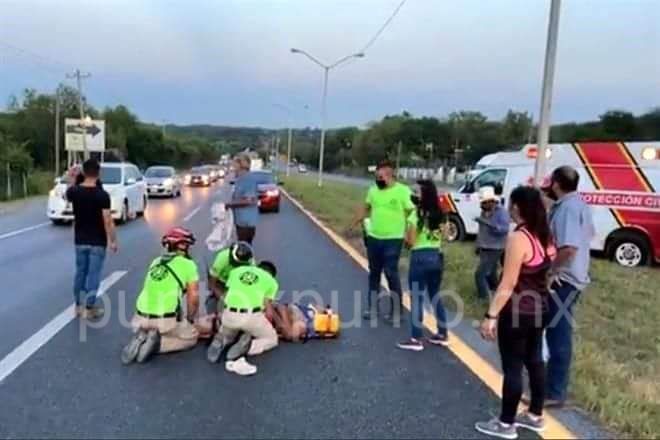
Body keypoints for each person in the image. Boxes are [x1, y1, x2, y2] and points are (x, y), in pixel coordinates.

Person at [475, 186, 555, 439]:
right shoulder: (546, 236)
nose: (508, 209)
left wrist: (491, 316)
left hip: (518, 312)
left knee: (513, 366)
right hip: (541, 308)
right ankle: (534, 415)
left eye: (511, 204)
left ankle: (506, 423)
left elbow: (507, 283)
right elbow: (548, 272)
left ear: (518, 207)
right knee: (535, 361)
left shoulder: (518, 239)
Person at [543, 166, 594, 407]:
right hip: (574, 277)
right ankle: (551, 385)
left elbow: (569, 248)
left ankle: (554, 392)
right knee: (555, 331)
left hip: (563, 281)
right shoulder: (580, 205)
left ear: (555, 184)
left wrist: (552, 271)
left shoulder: (566, 209)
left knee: (558, 334)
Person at [120, 227, 201, 364]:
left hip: (139, 318)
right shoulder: (188, 265)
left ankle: (142, 337)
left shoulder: (156, 261)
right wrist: (190, 319)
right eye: (187, 245)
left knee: (159, 325)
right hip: (164, 320)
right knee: (191, 337)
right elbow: (193, 299)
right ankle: (158, 344)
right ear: (181, 246)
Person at [351, 161, 415, 321]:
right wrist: (357, 219)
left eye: (380, 177)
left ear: (389, 175)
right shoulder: (373, 191)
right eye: (376, 177)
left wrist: (410, 232)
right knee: (374, 273)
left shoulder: (403, 191)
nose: (377, 180)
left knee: (391, 272)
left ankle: (397, 311)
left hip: (393, 239)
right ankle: (372, 308)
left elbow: (413, 211)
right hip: (374, 237)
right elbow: (366, 206)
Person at [397, 179, 449, 351]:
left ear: (424, 195)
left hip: (420, 256)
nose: (414, 195)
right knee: (435, 294)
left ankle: (416, 338)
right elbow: (447, 235)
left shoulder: (416, 214)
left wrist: (406, 239)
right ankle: (442, 334)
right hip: (437, 256)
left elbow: (410, 241)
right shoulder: (441, 213)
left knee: (417, 297)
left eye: (417, 192)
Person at [206, 257, 279, 376]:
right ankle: (249, 346)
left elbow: (226, 295)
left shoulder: (237, 271)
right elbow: (268, 311)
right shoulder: (271, 281)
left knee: (229, 331)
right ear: (271, 274)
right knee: (272, 339)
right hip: (250, 317)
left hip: (229, 315)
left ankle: (222, 339)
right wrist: (270, 324)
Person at [65, 159, 118, 319]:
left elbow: (67, 193)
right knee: (93, 274)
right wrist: (113, 240)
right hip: (97, 242)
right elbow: (107, 220)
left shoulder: (75, 192)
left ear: (84, 172)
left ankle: (78, 306)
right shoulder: (102, 195)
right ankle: (89, 307)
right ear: (98, 172)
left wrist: (71, 177)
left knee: (80, 272)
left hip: (80, 240)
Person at [474, 186, 510, 299]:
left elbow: (504, 229)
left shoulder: (502, 212)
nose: (481, 206)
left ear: (491, 201)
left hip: (495, 248)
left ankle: (483, 297)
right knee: (491, 273)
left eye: (483, 203)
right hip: (485, 246)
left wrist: (488, 224)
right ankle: (495, 291)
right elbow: (481, 230)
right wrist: (478, 244)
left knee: (480, 274)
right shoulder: (484, 211)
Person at [227, 154, 259, 244]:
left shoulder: (248, 179)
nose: (233, 166)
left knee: (244, 250)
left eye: (235, 164)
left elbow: (249, 200)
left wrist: (229, 204)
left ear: (241, 164)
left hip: (247, 223)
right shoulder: (239, 179)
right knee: (243, 248)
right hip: (241, 222)